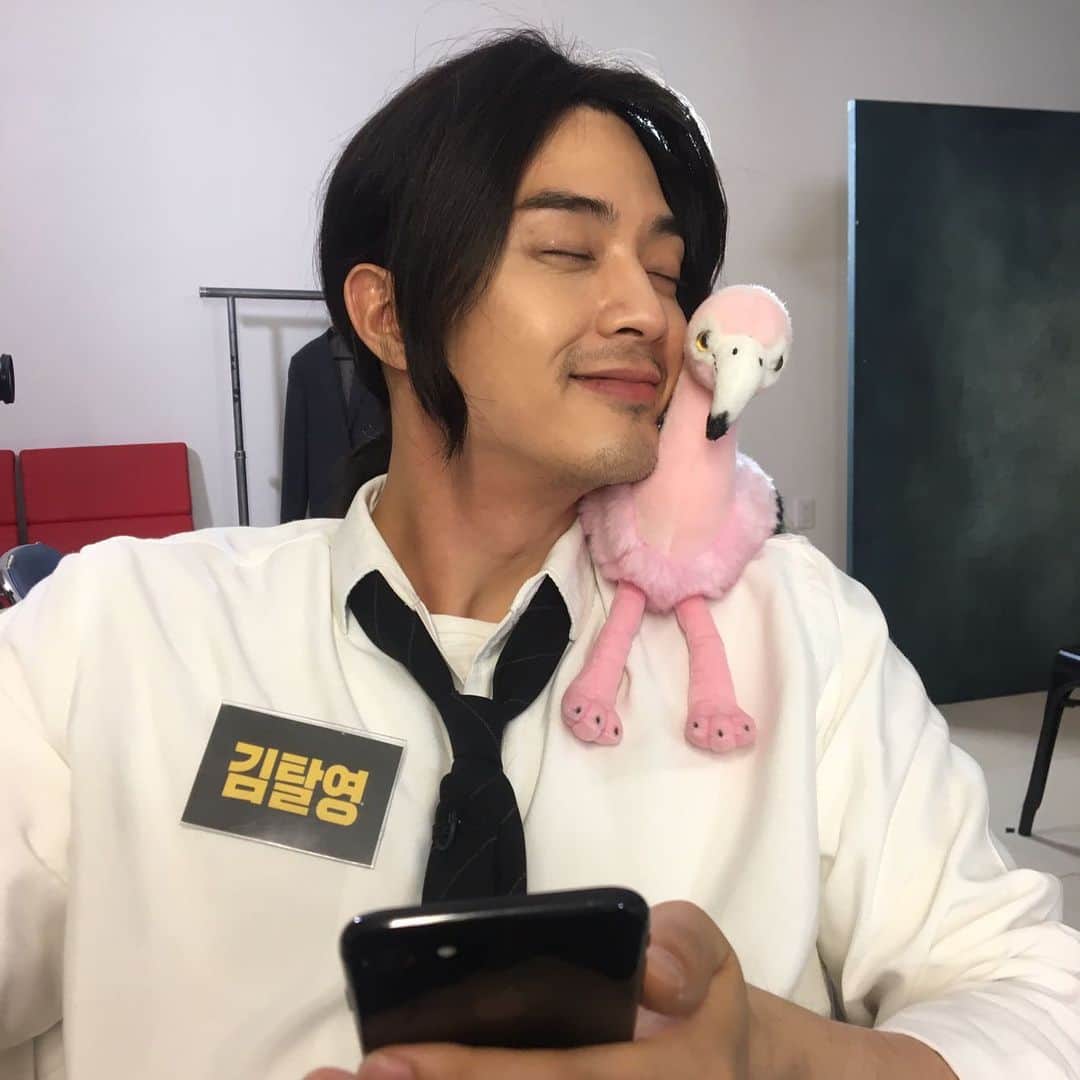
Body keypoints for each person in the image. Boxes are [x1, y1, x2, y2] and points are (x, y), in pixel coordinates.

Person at [2, 29, 1078, 1080]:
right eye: (568, 251)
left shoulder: (798, 632)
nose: (649, 313)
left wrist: (779, 1057)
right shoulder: (121, 631)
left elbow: (1037, 997)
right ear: (387, 313)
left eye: (666, 272)